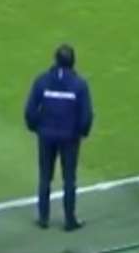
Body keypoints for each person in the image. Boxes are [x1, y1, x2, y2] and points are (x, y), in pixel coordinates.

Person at [24, 44, 92, 232]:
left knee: (45, 176)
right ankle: (69, 220)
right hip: (69, 138)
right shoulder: (79, 84)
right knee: (69, 178)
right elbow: (86, 115)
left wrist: (37, 128)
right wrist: (81, 133)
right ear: (73, 62)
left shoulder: (42, 81)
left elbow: (30, 110)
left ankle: (43, 218)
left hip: (46, 136)